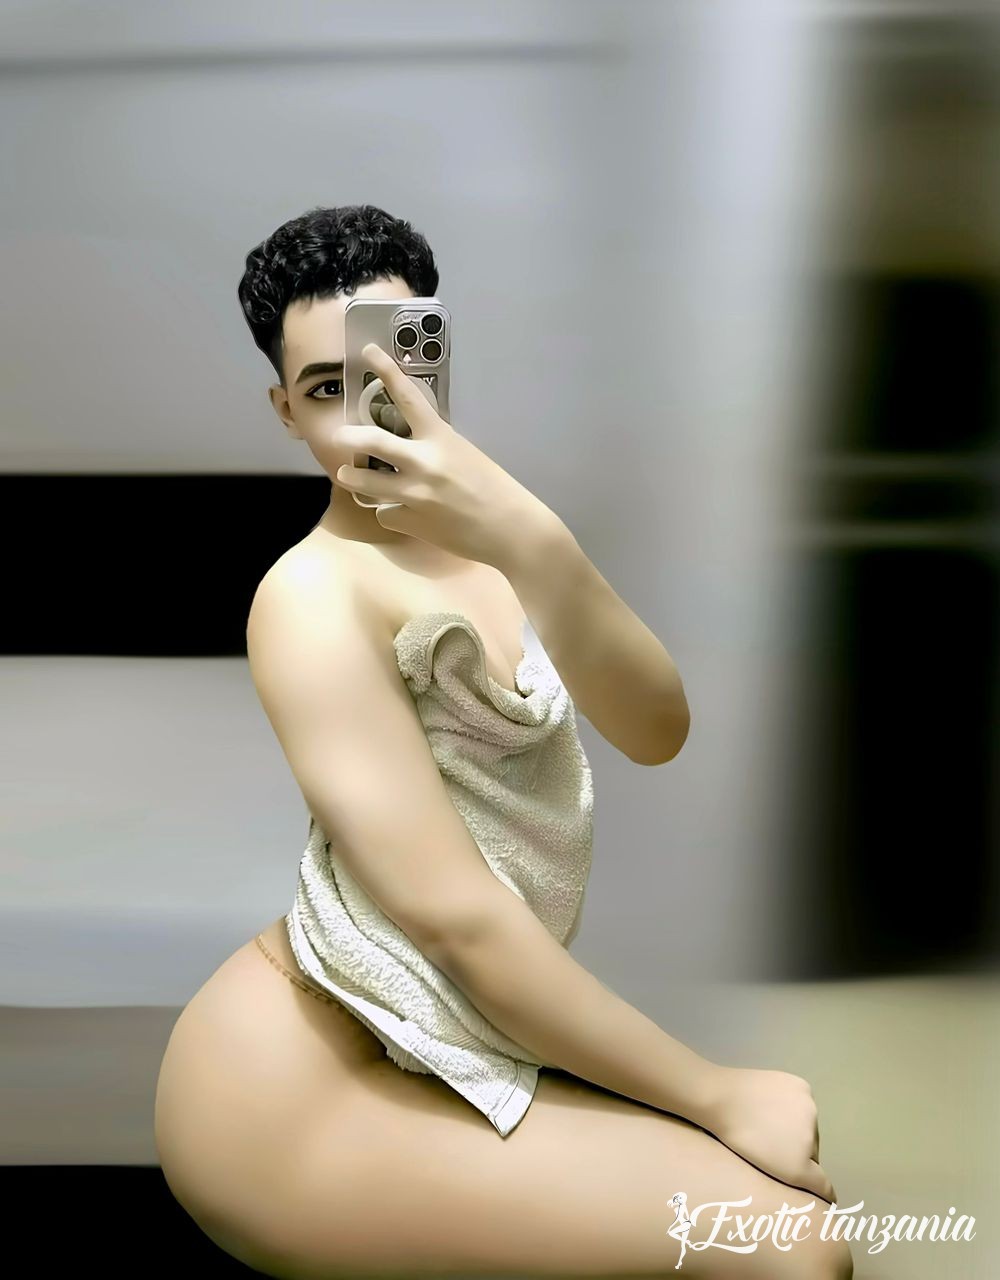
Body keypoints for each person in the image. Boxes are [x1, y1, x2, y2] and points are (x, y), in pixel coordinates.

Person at [153, 204, 853, 1280]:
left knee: (784, 1225)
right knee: (788, 1242)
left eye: (391, 365)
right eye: (327, 388)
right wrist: (715, 1090)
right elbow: (458, 922)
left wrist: (531, 537)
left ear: (437, 353)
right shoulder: (309, 595)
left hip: (450, 1035)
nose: (369, 408)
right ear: (286, 411)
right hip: (291, 1084)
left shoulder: (497, 542)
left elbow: (655, 728)